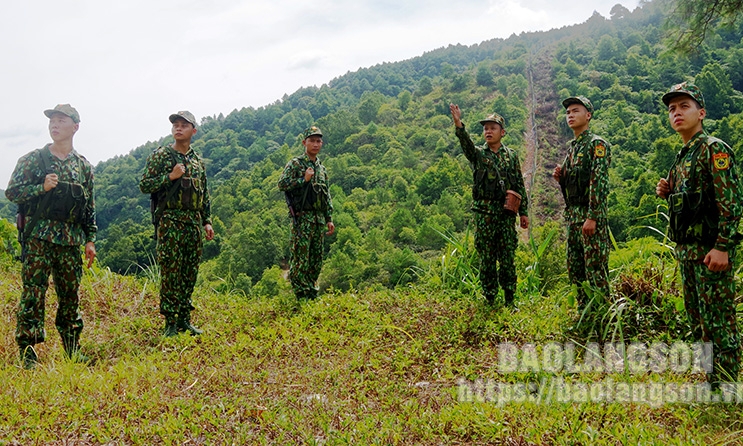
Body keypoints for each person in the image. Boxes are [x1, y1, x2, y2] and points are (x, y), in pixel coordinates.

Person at [656, 82, 741, 386]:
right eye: (671, 109)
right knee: (698, 321)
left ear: (701, 113)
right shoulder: (683, 156)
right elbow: (691, 202)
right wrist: (667, 191)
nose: (676, 113)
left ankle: (728, 384)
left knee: (719, 321)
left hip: (709, 251)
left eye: (684, 107)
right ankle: (710, 379)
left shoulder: (713, 148)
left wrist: (722, 246)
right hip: (688, 252)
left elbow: (730, 203)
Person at [5, 104, 96, 369]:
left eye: (61, 120)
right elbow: (12, 193)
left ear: (75, 127)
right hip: (38, 238)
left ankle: (72, 348)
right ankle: (28, 351)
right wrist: (40, 187)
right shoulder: (34, 160)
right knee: (34, 293)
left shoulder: (83, 167)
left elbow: (89, 207)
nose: (54, 125)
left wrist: (90, 239)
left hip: (69, 240)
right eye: (52, 121)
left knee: (70, 295)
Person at [139, 111, 214, 337]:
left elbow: (204, 193)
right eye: (175, 125)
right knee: (171, 272)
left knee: (189, 271)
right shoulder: (162, 156)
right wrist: (170, 177)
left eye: (184, 125)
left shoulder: (197, 161)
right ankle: (170, 322)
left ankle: (184, 319)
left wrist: (207, 221)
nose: (178, 128)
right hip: (170, 221)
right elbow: (145, 184)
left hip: (193, 222)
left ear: (194, 131)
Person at [450, 104, 529, 306]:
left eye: (492, 128)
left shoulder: (511, 156)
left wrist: (524, 212)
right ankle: (490, 298)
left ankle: (510, 299)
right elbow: (466, 144)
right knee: (486, 258)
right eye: (485, 128)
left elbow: (519, 184)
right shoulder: (479, 155)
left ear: (502, 132)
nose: (488, 131)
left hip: (505, 215)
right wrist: (459, 124)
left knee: (507, 258)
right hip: (484, 215)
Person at [553, 96, 611, 307]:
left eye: (575, 111)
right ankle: (583, 313)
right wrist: (562, 177)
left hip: (589, 219)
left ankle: (602, 316)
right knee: (575, 270)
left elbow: (599, 183)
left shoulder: (597, 144)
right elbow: (574, 185)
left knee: (595, 269)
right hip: (574, 217)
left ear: (588, 115)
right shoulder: (573, 148)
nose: (570, 115)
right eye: (568, 112)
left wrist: (593, 217)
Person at [278, 126, 335, 300]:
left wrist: (329, 218)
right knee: (301, 259)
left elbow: (326, 194)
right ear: (304, 143)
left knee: (316, 259)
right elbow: (282, 184)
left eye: (318, 141)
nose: (315, 144)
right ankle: (301, 295)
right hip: (302, 219)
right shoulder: (296, 164)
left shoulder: (321, 168)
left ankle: (311, 292)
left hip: (318, 219)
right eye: (312, 141)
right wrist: (304, 180)